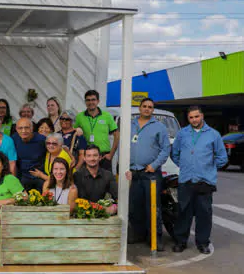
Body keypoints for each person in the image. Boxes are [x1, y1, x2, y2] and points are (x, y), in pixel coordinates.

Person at [171, 106, 227, 254]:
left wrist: (209, 168)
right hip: (186, 180)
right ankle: (180, 242)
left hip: (205, 181)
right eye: (191, 117)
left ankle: (203, 243)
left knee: (204, 213)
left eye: (196, 116)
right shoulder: (182, 134)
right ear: (188, 119)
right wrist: (184, 165)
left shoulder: (213, 135)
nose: (194, 120)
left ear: (202, 116)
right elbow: (175, 153)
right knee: (183, 212)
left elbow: (222, 157)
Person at [126, 98, 170, 250]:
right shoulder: (130, 124)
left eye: (150, 107)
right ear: (139, 108)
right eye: (144, 106)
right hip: (133, 172)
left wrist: (154, 165)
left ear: (153, 110)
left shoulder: (159, 127)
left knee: (152, 207)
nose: (146, 109)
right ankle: (139, 234)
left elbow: (165, 149)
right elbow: (123, 146)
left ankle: (155, 238)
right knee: (134, 206)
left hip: (150, 172)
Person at [74, 90, 119, 172]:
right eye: (88, 100)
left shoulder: (107, 116)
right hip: (87, 156)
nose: (91, 102)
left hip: (104, 156)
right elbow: (73, 133)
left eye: (93, 100)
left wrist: (111, 154)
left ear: (98, 101)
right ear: (85, 102)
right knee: (86, 183)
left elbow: (116, 135)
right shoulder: (80, 117)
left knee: (105, 183)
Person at [73, 145, 118, 215]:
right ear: (84, 158)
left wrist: (115, 206)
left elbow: (117, 195)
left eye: (95, 155)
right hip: (83, 214)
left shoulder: (108, 175)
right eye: (89, 156)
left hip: (102, 216)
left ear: (100, 157)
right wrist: (101, 208)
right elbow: (80, 200)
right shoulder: (77, 176)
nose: (92, 158)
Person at [12, 118, 47, 191]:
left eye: (26, 128)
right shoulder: (14, 139)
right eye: (20, 128)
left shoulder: (42, 140)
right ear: (16, 129)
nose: (23, 131)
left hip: (39, 176)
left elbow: (57, 147)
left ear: (32, 128)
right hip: (22, 176)